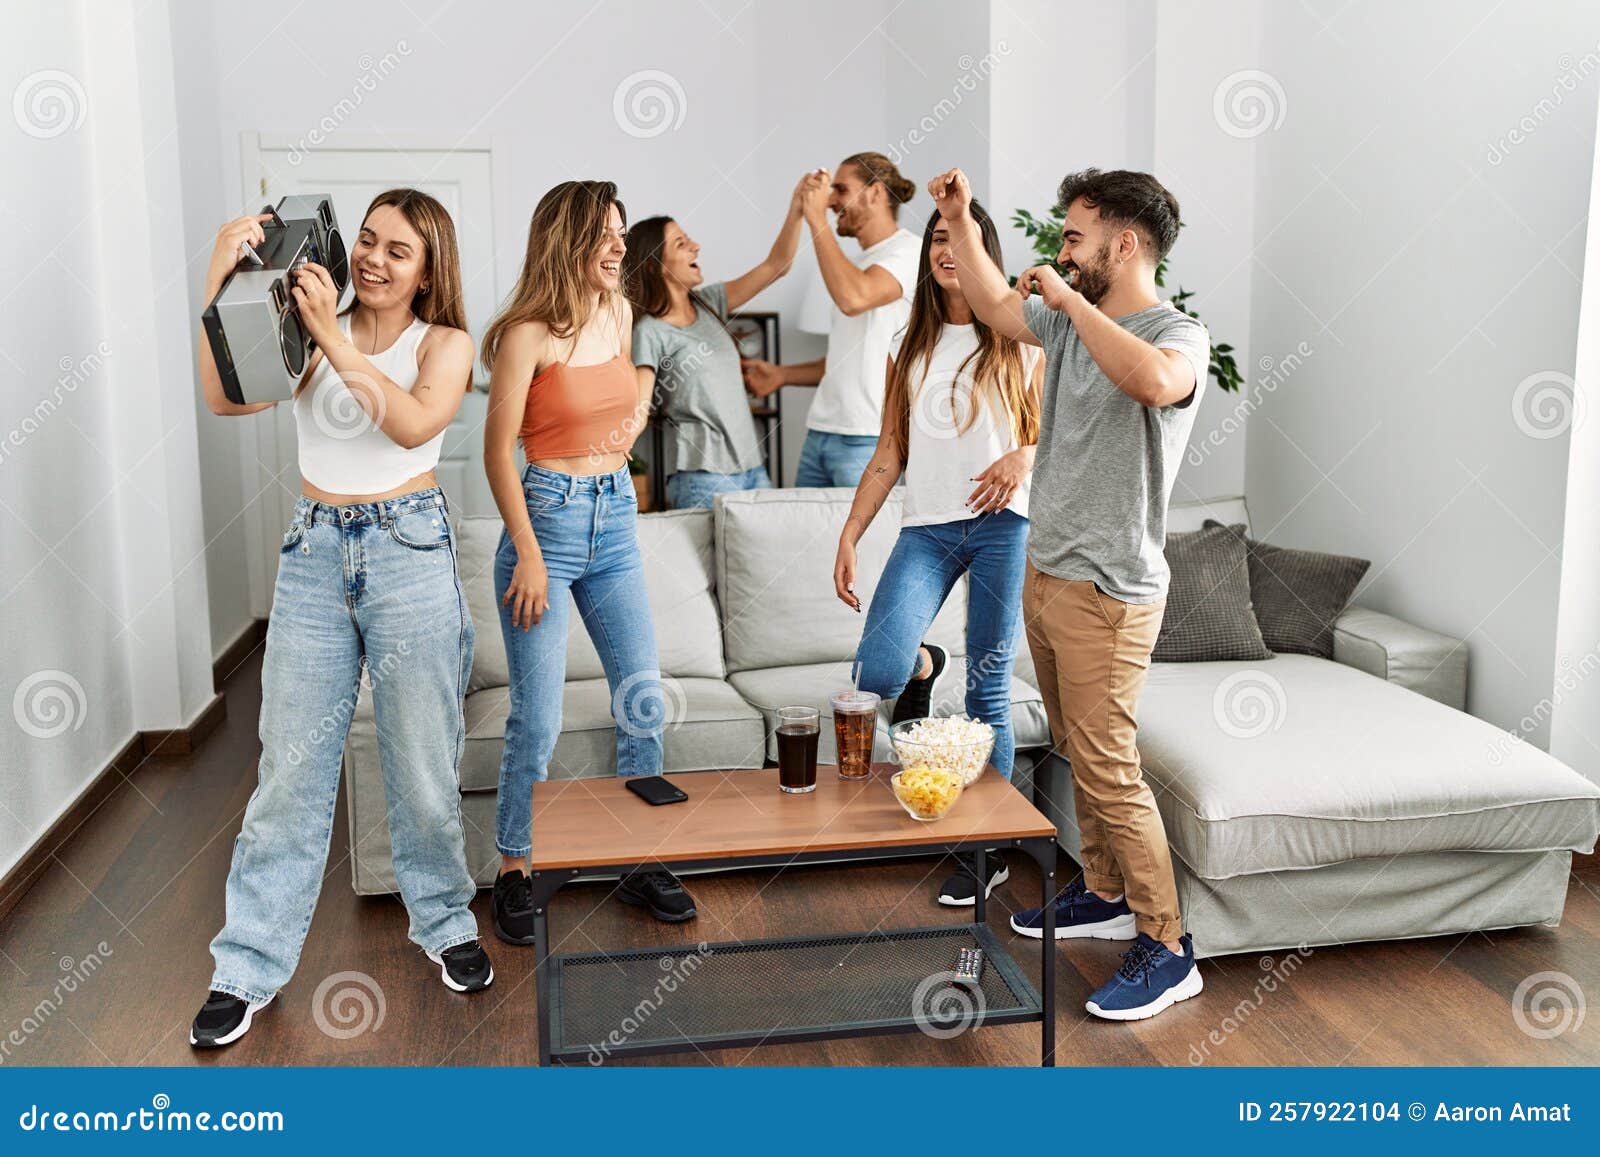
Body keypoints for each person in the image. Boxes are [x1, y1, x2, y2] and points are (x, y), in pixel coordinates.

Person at [191, 189, 491, 1048]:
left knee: (422, 759)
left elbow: (407, 425)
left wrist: (328, 334)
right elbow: (227, 399)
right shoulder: (301, 328)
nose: (372, 259)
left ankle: (445, 923)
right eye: (366, 240)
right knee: (288, 766)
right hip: (316, 551)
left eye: (399, 250)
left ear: (430, 269)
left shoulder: (446, 344)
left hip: (409, 548)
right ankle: (246, 965)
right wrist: (218, 285)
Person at [932, 165, 1211, 1022]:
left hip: (1111, 591)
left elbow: (1154, 383)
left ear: (1125, 245)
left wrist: (1072, 303)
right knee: (1076, 750)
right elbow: (991, 302)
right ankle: (1102, 890)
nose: (1061, 251)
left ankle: (1169, 946)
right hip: (1048, 573)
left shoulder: (1178, 332)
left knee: (1109, 763)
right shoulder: (1061, 319)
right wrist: (957, 219)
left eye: (1075, 237)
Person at [481, 180, 695, 939]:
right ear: (566, 241)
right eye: (604, 234)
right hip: (546, 517)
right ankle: (515, 866)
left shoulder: (620, 313)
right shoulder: (525, 334)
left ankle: (639, 855)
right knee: (535, 719)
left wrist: (640, 382)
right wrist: (530, 555)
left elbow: (624, 422)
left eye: (621, 231)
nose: (618, 247)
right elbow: (496, 453)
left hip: (614, 521)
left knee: (641, 696)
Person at [834, 200, 1042, 908]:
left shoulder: (1020, 333)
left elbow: (1058, 437)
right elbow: (890, 449)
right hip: (927, 529)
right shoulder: (907, 341)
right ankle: (924, 663)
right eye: (937, 241)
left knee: (988, 692)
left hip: (1001, 527)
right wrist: (851, 532)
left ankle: (986, 850)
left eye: (961, 239)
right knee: (879, 671)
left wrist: (1022, 456)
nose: (945, 251)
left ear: (985, 249)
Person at [623, 171, 815, 508]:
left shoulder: (710, 303)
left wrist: (798, 207)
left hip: (753, 468)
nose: (696, 245)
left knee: (765, 560)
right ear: (655, 267)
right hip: (703, 476)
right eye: (681, 244)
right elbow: (639, 405)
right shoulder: (650, 331)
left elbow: (777, 265)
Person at [743, 152, 922, 487]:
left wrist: (816, 220)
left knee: (862, 541)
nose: (830, 202)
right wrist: (782, 375)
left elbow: (853, 299)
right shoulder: (854, 262)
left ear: (876, 194)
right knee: (805, 537)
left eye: (841, 190)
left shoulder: (911, 253)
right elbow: (846, 358)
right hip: (821, 434)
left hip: (868, 440)